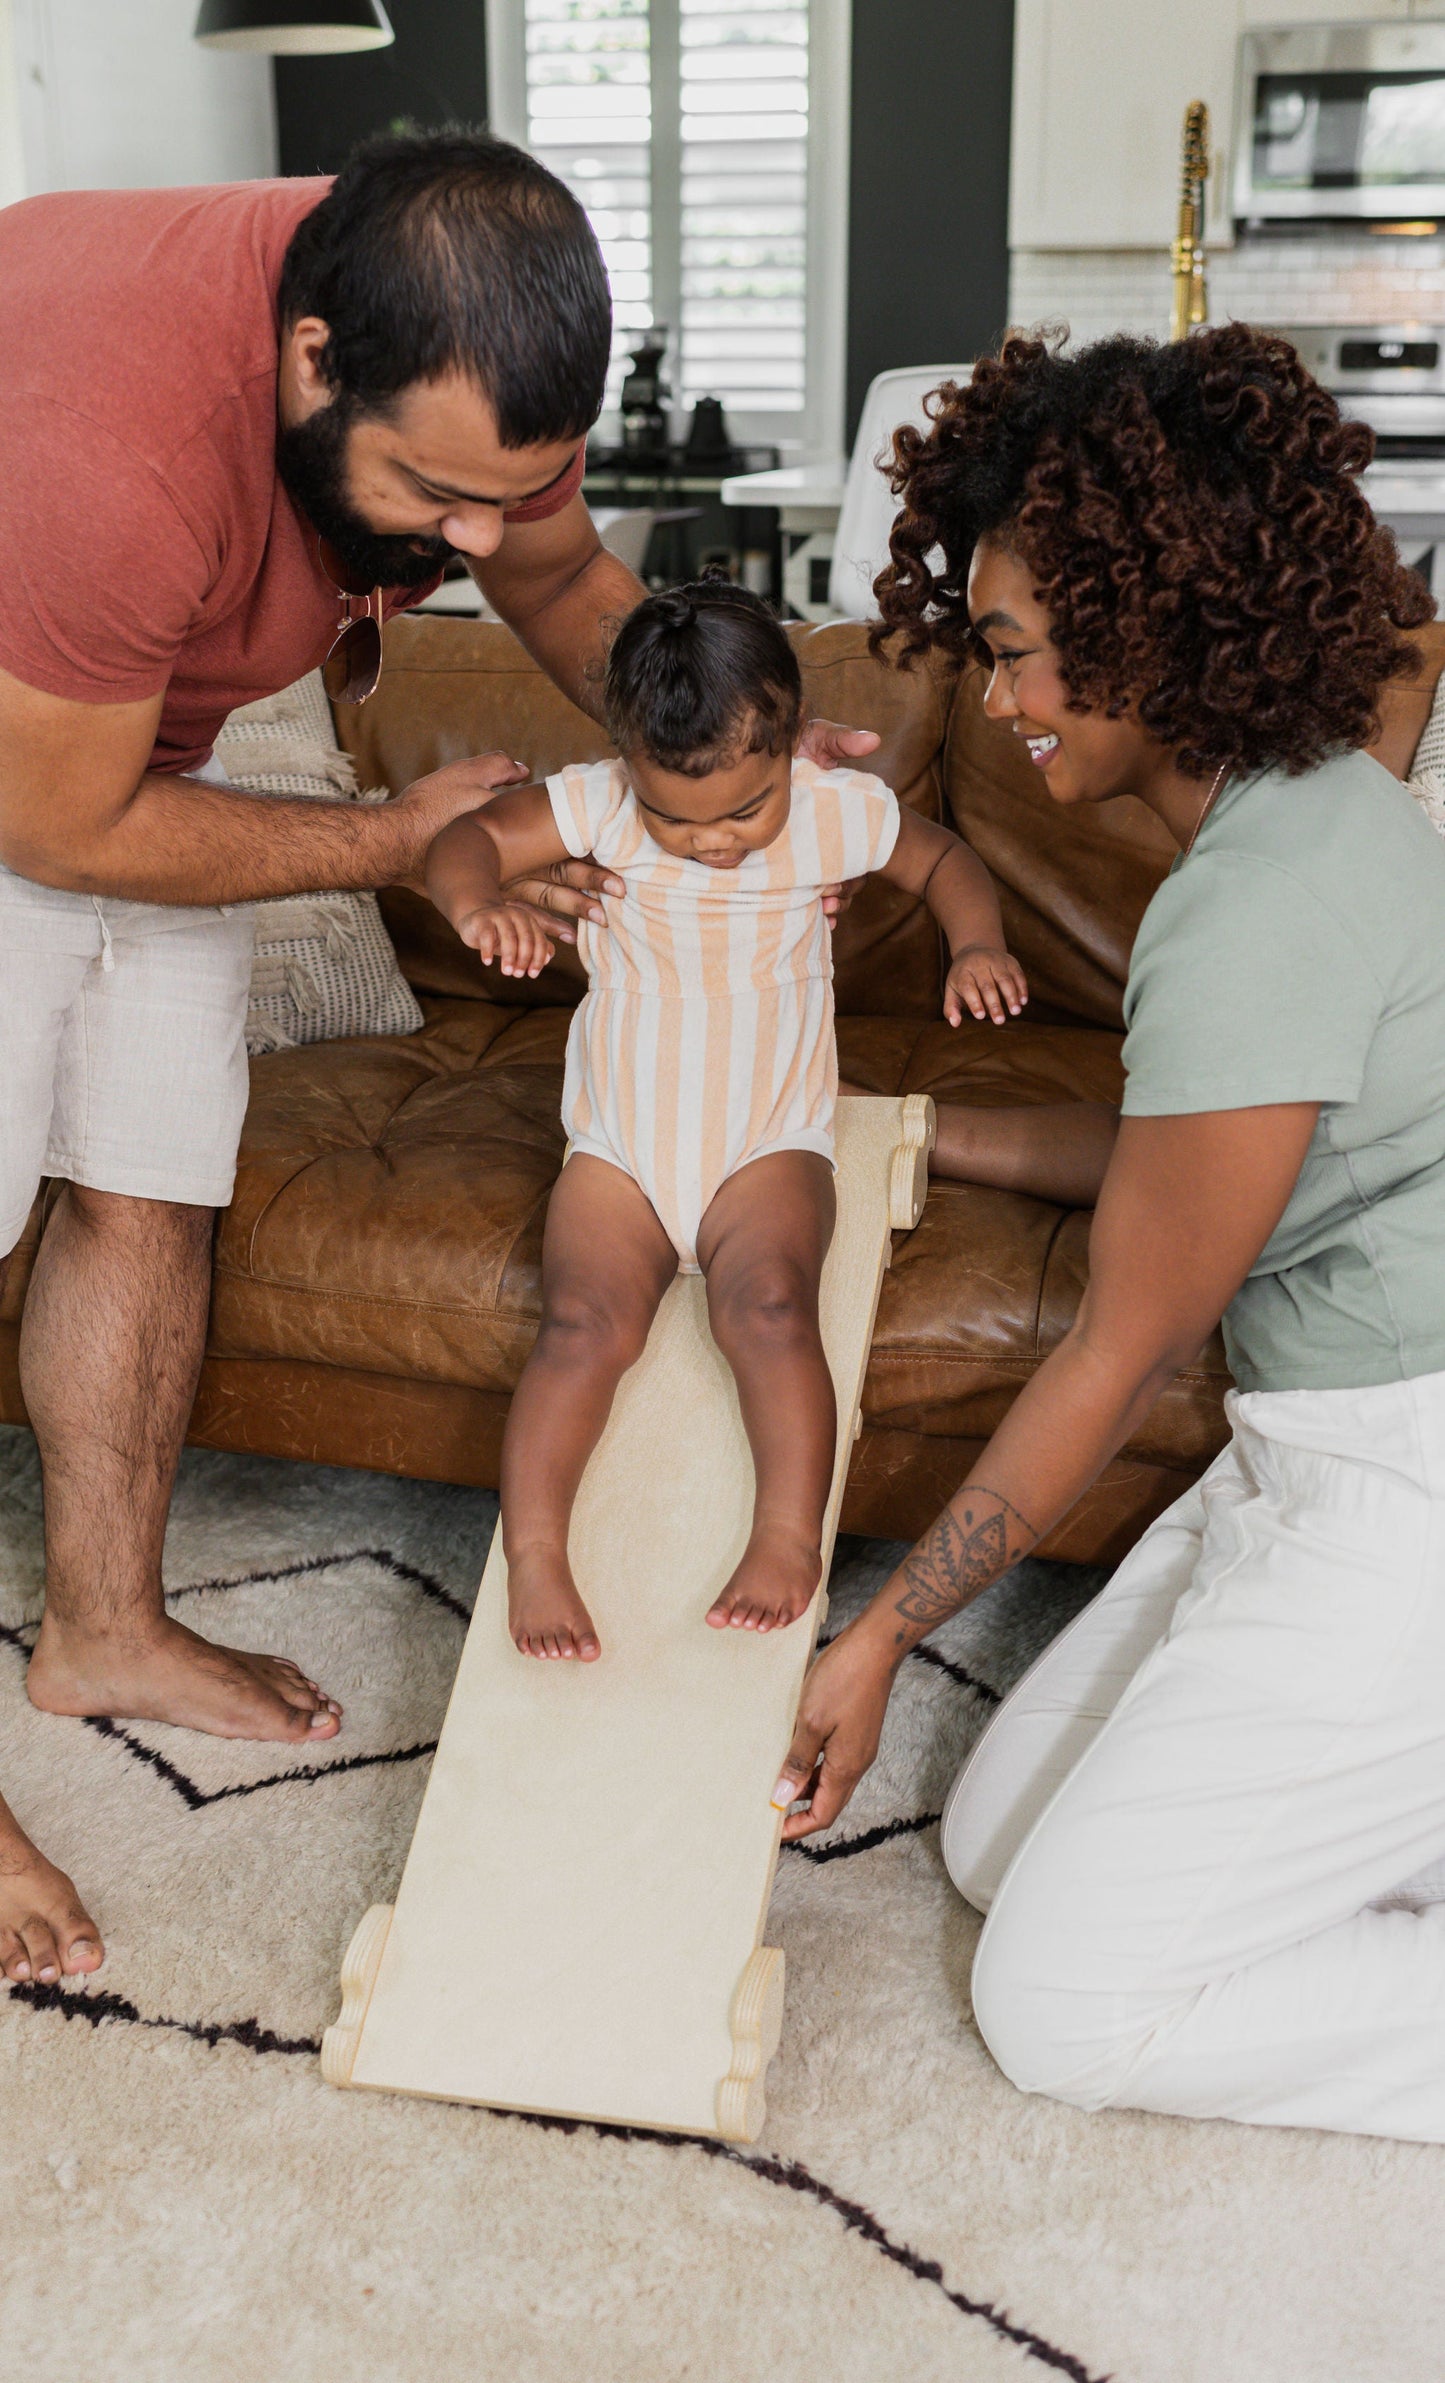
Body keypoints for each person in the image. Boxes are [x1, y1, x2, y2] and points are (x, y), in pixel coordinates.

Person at [0, 133, 879, 1987]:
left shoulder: (458, 340)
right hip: (40, 767)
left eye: (519, 485)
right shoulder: (109, 443)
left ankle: (103, 1625)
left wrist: (746, 740)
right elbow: (62, 821)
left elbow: (569, 592)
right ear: (315, 360)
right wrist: (393, 839)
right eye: (435, 493)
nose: (476, 541)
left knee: (153, 1175)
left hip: (120, 755)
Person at [769, 325, 1445, 2144]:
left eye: (1012, 654)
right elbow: (1189, 1147)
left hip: (1406, 1493)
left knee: (1062, 1999)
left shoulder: (1263, 899)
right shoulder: (1305, 818)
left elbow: (1119, 1341)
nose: (997, 703)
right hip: (1313, 1456)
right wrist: (919, 1126)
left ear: (1153, 631)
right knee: (995, 1846)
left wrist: (883, 1628)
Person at [424, 580, 1027, 1659]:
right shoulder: (601, 801)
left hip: (765, 1142)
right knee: (579, 1329)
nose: (712, 844)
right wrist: (481, 903)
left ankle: (789, 1535)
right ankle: (535, 1555)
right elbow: (467, 841)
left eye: (744, 812)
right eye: (678, 819)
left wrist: (974, 940)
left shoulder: (830, 809)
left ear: (791, 743)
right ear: (628, 767)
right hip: (619, 1150)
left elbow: (941, 859)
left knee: (768, 1310)